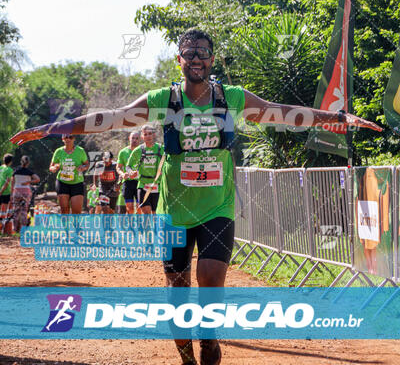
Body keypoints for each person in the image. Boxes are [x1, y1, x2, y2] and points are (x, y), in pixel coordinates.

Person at [10, 28, 382, 365]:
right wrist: (50, 129)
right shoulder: (163, 100)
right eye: (190, 53)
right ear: (180, 60)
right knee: (177, 292)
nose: (197, 59)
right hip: (174, 211)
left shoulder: (231, 97)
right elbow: (111, 118)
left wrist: (340, 119)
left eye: (204, 52)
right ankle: (187, 354)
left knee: (210, 280)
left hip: (217, 208)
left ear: (212, 60)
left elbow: (284, 114)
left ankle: (209, 336)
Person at [126, 124, 164, 215]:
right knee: (146, 212)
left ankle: (154, 229)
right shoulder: (139, 150)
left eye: (150, 133)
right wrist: (131, 172)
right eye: (145, 134)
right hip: (143, 185)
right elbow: (128, 166)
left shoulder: (161, 148)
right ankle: (146, 229)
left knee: (155, 214)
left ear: (154, 135)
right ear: (142, 137)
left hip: (157, 185)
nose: (148, 136)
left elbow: (169, 163)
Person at [50, 134, 89, 214]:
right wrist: (54, 168)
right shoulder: (58, 151)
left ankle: (76, 225)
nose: (68, 139)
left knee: (76, 211)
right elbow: (51, 166)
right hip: (62, 182)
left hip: (77, 183)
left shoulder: (80, 151)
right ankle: (66, 226)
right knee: (64, 210)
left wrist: (83, 167)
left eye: (70, 137)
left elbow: (87, 164)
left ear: (74, 138)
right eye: (65, 137)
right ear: (62, 139)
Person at [11, 155, 40, 233]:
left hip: (16, 192)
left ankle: (15, 229)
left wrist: (11, 194)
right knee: (24, 210)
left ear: (21, 161)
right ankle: (23, 229)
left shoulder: (15, 171)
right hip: (26, 192)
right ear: (28, 163)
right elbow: (37, 179)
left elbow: (12, 183)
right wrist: (29, 182)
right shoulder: (29, 172)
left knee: (16, 210)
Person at [116, 130, 141, 214]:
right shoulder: (123, 152)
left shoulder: (143, 151)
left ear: (140, 139)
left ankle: (139, 225)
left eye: (137, 138)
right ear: (129, 138)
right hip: (127, 182)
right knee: (129, 207)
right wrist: (122, 174)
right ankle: (130, 226)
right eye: (133, 138)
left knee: (139, 207)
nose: (134, 140)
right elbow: (118, 167)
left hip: (140, 182)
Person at [0, 154, 14, 234]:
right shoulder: (9, 170)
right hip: (5, 192)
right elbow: (7, 182)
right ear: (11, 161)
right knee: (3, 212)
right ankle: (2, 230)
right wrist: (1, 191)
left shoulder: (1, 168)